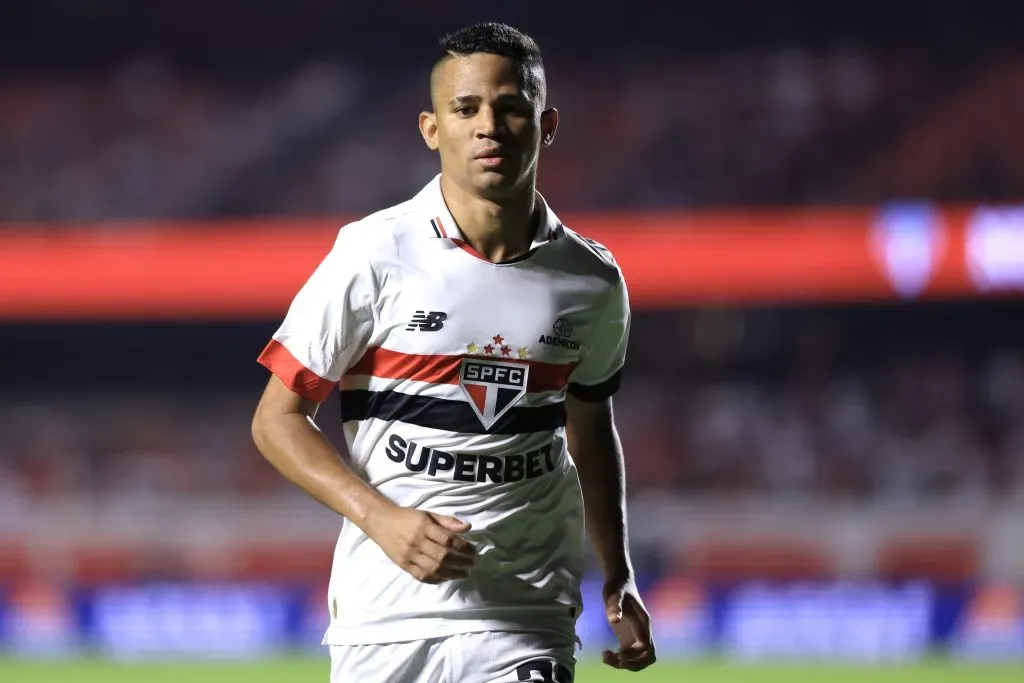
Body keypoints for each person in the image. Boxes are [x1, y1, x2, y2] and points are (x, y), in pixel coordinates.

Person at [251, 21, 655, 682]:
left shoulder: (592, 280)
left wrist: (617, 573)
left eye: (510, 107)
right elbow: (275, 419)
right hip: (384, 620)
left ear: (546, 124)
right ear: (432, 128)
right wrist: (380, 518)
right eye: (465, 109)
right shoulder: (373, 253)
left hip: (523, 612)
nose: (488, 125)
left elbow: (589, 425)